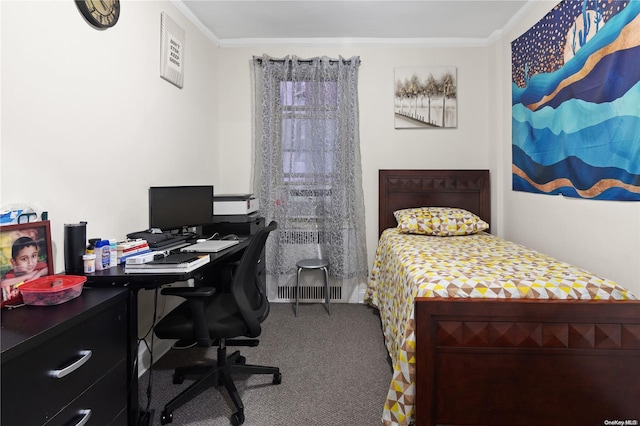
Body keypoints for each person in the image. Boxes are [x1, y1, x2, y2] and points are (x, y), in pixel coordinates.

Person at [1, 236, 49, 302]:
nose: (30, 262)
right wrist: (27, 276)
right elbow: (2, 283)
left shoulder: (39, 266)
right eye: (24, 259)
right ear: (13, 262)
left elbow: (48, 269)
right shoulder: (13, 273)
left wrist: (37, 275)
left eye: (33, 256)